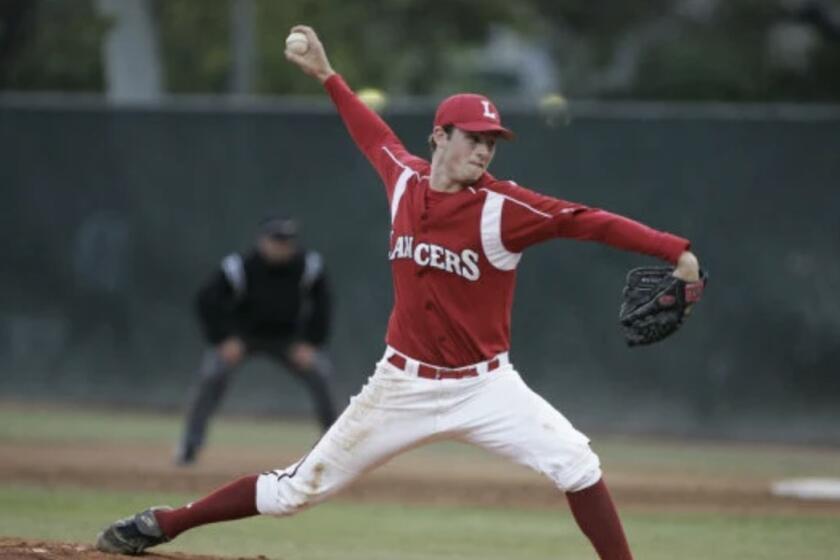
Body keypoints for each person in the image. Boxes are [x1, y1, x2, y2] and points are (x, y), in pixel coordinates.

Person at [96, 25, 702, 559]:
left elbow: (585, 220)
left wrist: (674, 250)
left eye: (492, 140)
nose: (484, 148)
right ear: (440, 137)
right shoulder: (404, 180)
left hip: (486, 385)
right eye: (472, 136)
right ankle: (165, 523)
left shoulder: (502, 209)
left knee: (576, 463)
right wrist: (329, 76)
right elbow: (371, 131)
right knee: (293, 492)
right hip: (401, 385)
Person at [174, 215, 338, 465]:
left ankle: (335, 448)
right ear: (262, 241)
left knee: (321, 373)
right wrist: (224, 338)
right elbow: (206, 302)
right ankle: (189, 446)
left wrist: (311, 343)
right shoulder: (239, 266)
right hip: (243, 337)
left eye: (287, 241)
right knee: (211, 375)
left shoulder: (308, 266)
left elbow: (323, 305)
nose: (282, 246)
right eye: (277, 240)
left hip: (288, 340)